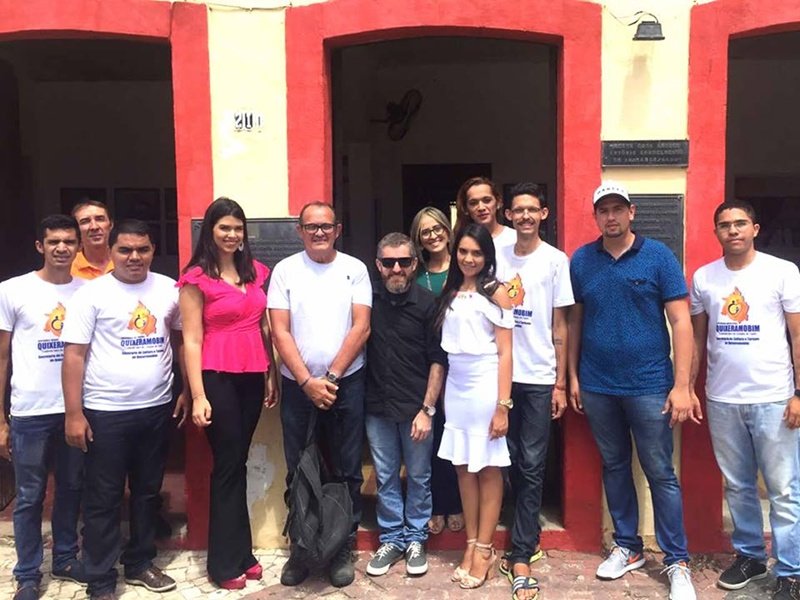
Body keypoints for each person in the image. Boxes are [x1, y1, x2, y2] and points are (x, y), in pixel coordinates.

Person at [567, 181, 698, 600]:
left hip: (648, 384)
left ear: (632, 212)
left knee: (660, 472)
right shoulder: (583, 260)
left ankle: (677, 561)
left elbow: (681, 322)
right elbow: (575, 322)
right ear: (595, 216)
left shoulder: (659, 256)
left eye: (617, 209)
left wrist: (682, 385)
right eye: (603, 210)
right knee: (615, 466)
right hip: (598, 383)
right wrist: (571, 377)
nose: (611, 217)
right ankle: (628, 547)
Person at [62, 219, 187, 600]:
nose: (135, 257)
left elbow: (181, 342)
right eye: (126, 250)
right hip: (105, 412)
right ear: (110, 252)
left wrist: (184, 389)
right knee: (104, 495)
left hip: (155, 408)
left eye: (143, 249)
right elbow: (74, 356)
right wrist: (74, 414)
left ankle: (139, 563)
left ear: (152, 250)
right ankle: (100, 577)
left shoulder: (169, 289)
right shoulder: (91, 294)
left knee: (148, 492)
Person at [689, 199, 800, 599]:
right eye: (724, 225)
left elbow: (797, 336)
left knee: (784, 489)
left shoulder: (782, 272)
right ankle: (751, 557)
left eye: (740, 223)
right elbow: (698, 340)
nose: (732, 230)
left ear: (755, 228)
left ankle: (790, 570)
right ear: (715, 231)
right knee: (737, 485)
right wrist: (688, 387)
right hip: (723, 398)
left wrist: (799, 394)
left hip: (774, 397)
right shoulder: (704, 278)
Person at [268, 201, 372, 588]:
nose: (318, 233)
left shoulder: (354, 269)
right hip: (298, 387)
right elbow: (280, 331)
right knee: (299, 468)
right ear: (299, 231)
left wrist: (329, 377)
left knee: (346, 470)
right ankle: (302, 547)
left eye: (325, 226)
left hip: (347, 382)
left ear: (338, 229)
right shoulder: (285, 271)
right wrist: (307, 381)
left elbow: (361, 327)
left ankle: (341, 546)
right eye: (311, 227)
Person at [178, 197, 278, 589]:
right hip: (216, 376)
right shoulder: (196, 279)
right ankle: (222, 564)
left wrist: (270, 373)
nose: (232, 234)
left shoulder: (255, 272)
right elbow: (190, 339)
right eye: (224, 227)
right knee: (226, 466)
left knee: (237, 464)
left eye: (237, 228)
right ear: (211, 231)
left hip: (252, 373)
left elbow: (265, 327)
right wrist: (199, 395)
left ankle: (243, 553)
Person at [0, 216, 86, 600]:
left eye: (69, 241)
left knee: (71, 488)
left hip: (75, 410)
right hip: (29, 412)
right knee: (30, 496)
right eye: (54, 241)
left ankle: (66, 558)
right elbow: (1, 357)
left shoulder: (89, 292)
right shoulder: (12, 291)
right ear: (40, 246)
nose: (62, 248)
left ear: (78, 245)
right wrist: (0, 418)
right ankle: (28, 573)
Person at [495, 183, 574, 600]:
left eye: (532, 210)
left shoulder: (555, 261)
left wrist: (560, 381)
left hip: (540, 377)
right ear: (508, 215)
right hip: (499, 375)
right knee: (497, 460)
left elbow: (560, 325)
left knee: (530, 463)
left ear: (544, 214)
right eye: (518, 210)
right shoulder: (495, 256)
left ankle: (522, 548)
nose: (525, 216)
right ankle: (514, 526)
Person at [435, 223, 513, 590]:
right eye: (463, 251)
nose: (469, 258)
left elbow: (506, 351)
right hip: (456, 384)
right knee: (464, 466)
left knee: (489, 467)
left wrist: (503, 405)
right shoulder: (452, 289)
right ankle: (470, 542)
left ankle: (485, 548)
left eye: (476, 253)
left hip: (485, 383)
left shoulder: (497, 292)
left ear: (487, 256)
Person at [363, 232, 446, 577]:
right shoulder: (366, 302)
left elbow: (438, 361)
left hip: (416, 409)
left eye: (404, 262)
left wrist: (427, 410)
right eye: (388, 262)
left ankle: (415, 538)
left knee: (420, 476)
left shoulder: (428, 304)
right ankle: (393, 538)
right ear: (378, 265)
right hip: (377, 406)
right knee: (384, 477)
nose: (396, 268)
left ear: (414, 264)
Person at [409, 207, 464, 535]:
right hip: (427, 366)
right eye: (424, 231)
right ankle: (435, 505)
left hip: (462, 367)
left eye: (437, 229)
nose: (432, 235)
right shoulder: (415, 274)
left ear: (447, 230)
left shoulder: (464, 269)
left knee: (458, 438)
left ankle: (456, 502)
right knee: (432, 440)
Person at [454, 176, 516, 250]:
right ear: (465, 209)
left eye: (487, 200)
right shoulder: (462, 242)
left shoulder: (514, 238)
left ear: (498, 202)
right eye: (473, 203)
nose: (481, 208)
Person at [70, 200, 114, 279]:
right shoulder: (68, 267)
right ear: (76, 229)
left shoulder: (127, 261)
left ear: (111, 225)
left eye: (100, 219)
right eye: (85, 221)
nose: (94, 227)